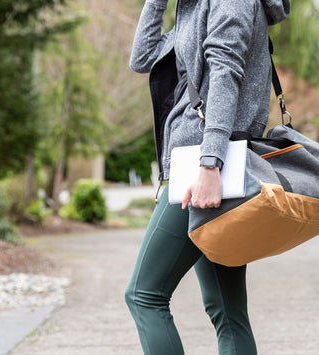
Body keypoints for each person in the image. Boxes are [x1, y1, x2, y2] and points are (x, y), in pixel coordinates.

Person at [124, 0, 290, 354]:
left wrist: (210, 164)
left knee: (145, 294)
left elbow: (225, 75)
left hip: (205, 169)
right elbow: (143, 58)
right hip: (207, 166)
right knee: (228, 312)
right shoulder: (194, 7)